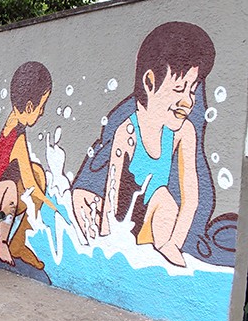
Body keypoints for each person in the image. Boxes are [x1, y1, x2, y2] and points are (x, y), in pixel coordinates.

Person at [71, 21, 233, 267]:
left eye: (192, 90)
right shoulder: (127, 131)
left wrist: (174, 244)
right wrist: (105, 244)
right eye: (179, 88)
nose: (187, 102)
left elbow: (191, 199)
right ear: (149, 83)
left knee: (164, 197)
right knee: (92, 203)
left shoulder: (183, 132)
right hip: (124, 215)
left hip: (155, 218)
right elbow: (111, 194)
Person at [0, 61, 57, 269]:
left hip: (2, 192)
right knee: (14, 187)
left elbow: (32, 177)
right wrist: (54, 207)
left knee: (39, 173)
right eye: (42, 107)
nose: (42, 113)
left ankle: (18, 242)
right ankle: (2, 242)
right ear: (30, 106)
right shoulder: (17, 136)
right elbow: (30, 182)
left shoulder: (13, 121)